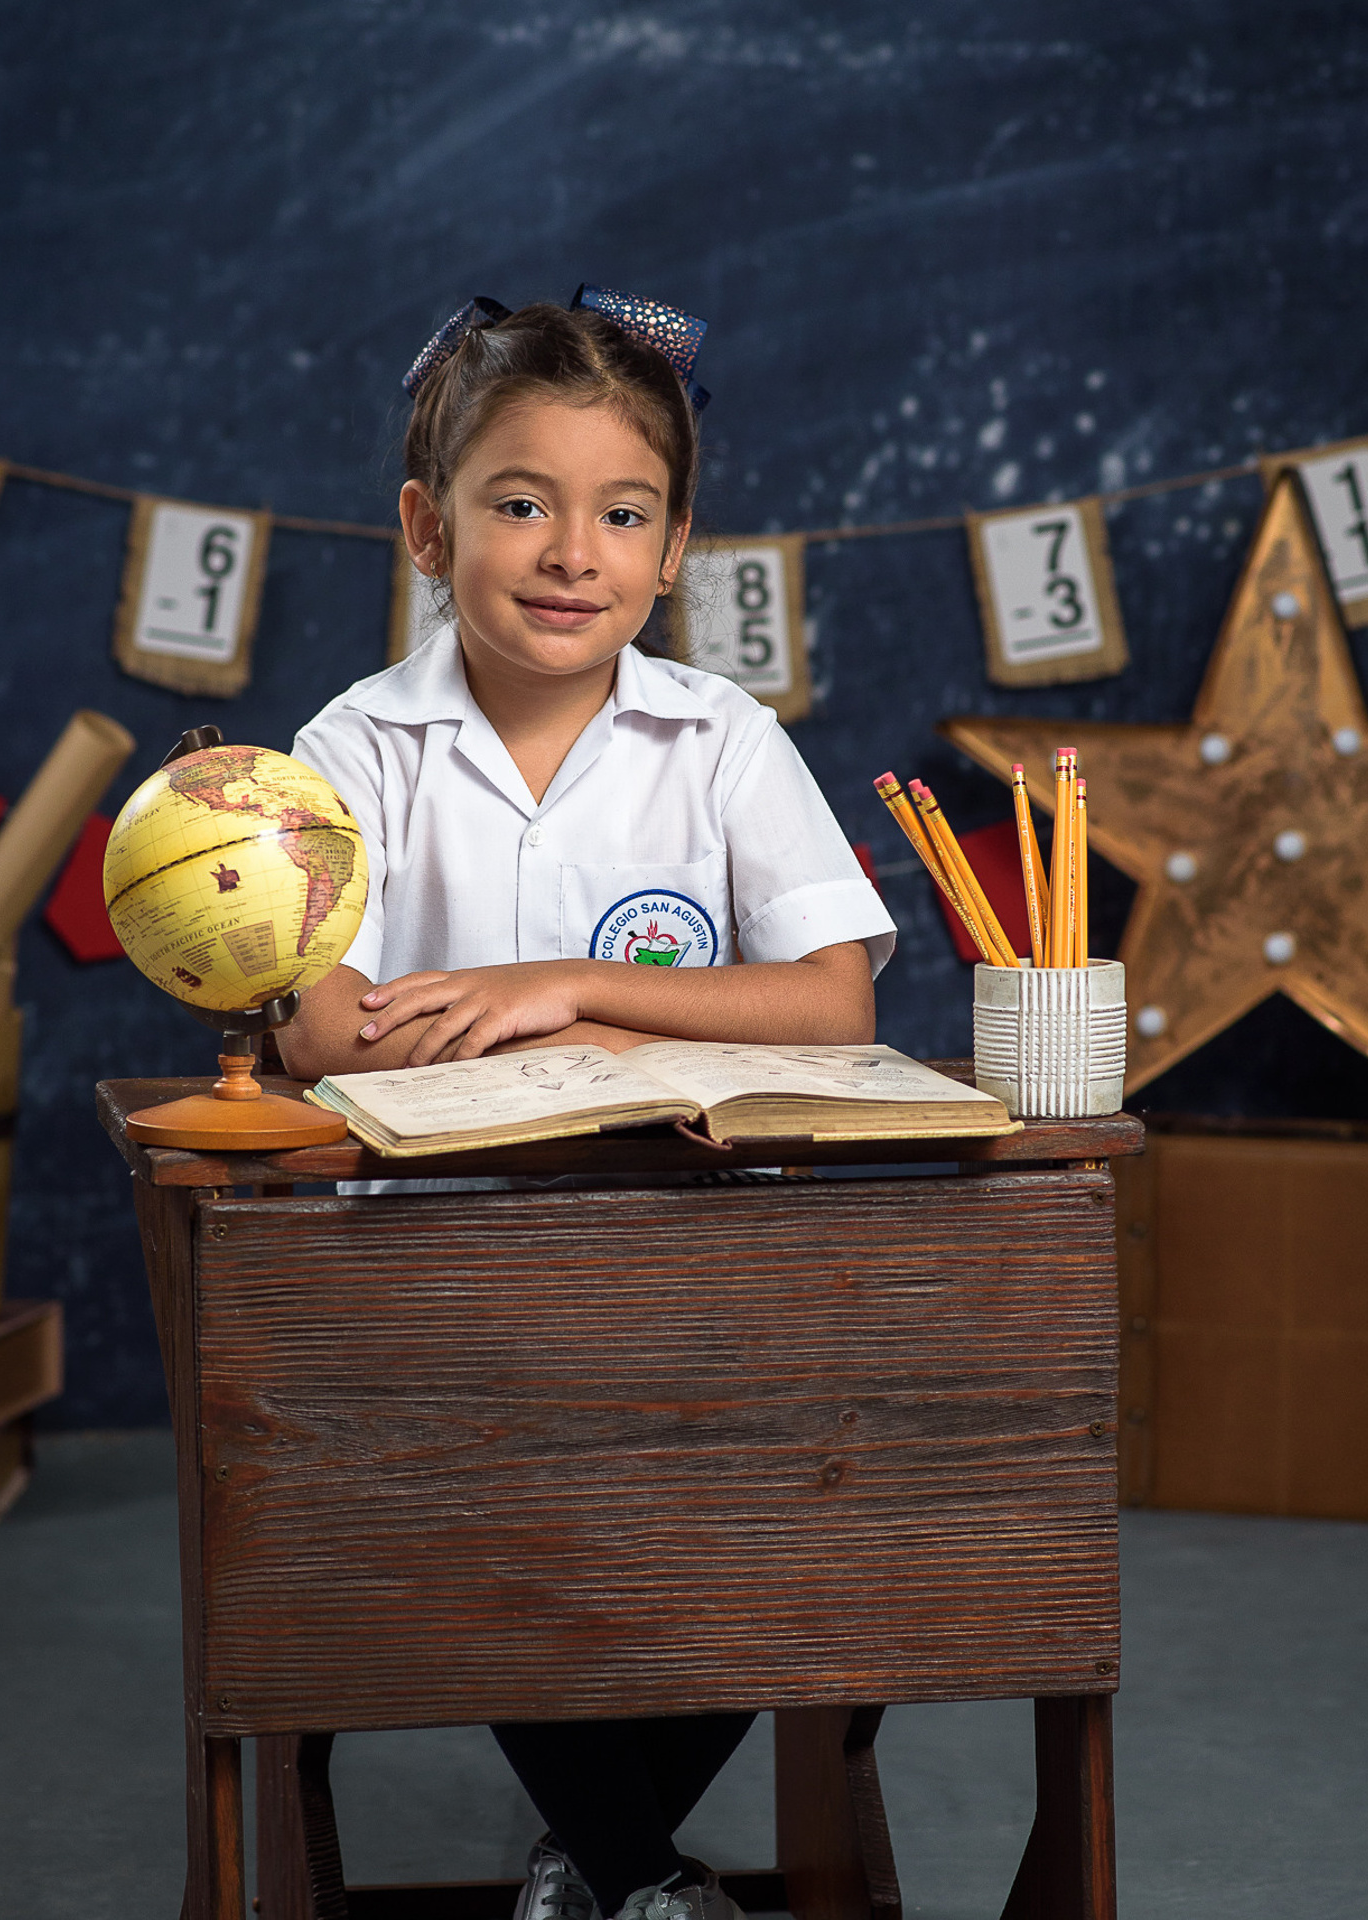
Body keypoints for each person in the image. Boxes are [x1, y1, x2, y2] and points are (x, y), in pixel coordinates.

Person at [282, 287, 896, 1920]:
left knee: (824, 1501)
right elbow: (319, 1023)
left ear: (677, 543)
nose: (574, 552)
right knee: (500, 1522)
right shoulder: (357, 748)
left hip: (699, 1269)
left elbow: (836, 996)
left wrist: (571, 986)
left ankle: (600, 1860)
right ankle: (634, 1873)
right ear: (427, 526)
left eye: (622, 513)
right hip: (438, 1283)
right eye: (521, 504)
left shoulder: (718, 741)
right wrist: (487, 1044)